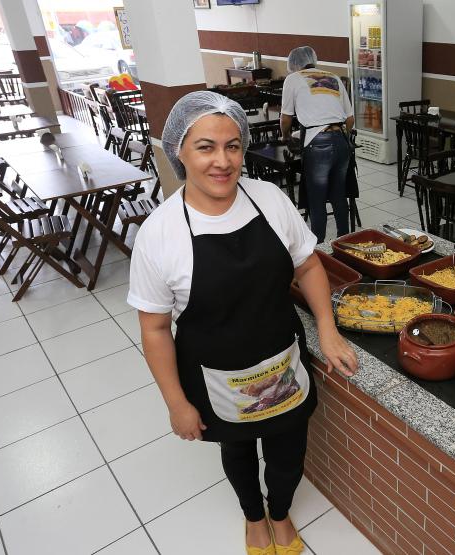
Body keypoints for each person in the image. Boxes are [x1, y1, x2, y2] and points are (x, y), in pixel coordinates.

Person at [128, 91, 358, 555]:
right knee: (236, 449)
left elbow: (309, 265)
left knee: (288, 450)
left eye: (232, 146)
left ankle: (280, 511)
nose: (223, 161)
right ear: (179, 150)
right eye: (206, 147)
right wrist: (176, 403)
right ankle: (254, 518)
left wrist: (327, 330)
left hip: (282, 360)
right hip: (216, 376)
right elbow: (154, 329)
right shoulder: (160, 233)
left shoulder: (268, 199)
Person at [281, 46, 354, 242]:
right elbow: (350, 118)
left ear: (294, 64)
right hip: (341, 142)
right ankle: (344, 243)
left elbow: (286, 118)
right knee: (339, 195)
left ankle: (319, 248)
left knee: (317, 200)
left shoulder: (293, 79)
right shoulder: (334, 77)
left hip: (317, 144)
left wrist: (286, 137)